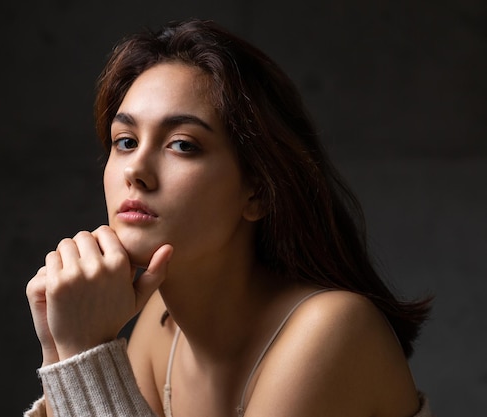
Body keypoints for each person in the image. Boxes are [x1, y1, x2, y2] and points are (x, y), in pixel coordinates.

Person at [24, 19, 433, 417]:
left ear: (258, 190)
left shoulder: (332, 330)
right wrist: (58, 349)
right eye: (125, 142)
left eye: (182, 145)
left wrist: (86, 354)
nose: (136, 171)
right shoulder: (161, 330)